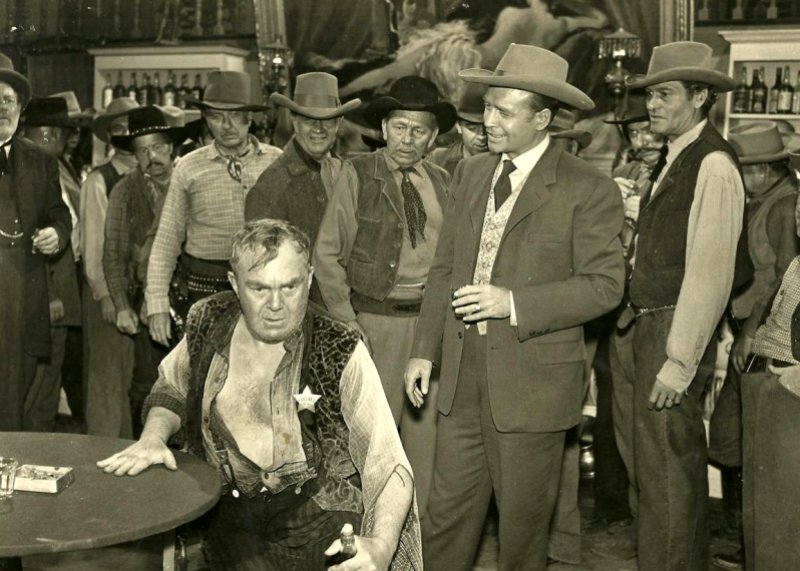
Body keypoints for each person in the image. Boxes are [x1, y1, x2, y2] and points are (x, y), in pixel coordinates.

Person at [404, 44, 625, 571]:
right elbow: (444, 269)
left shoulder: (588, 187)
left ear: (542, 118)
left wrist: (513, 302)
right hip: (462, 379)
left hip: (533, 388)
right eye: (487, 108)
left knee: (522, 536)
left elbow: (605, 286)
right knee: (444, 520)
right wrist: (424, 351)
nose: (489, 122)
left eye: (504, 112)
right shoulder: (470, 173)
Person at [98, 219, 421, 570]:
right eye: (259, 288)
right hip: (224, 521)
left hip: (317, 523)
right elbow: (172, 387)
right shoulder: (209, 320)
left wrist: (381, 545)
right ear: (234, 284)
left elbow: (388, 463)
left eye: (290, 286)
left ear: (309, 278)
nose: (276, 304)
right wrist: (153, 437)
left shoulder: (339, 347)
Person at [620, 41, 745, 571]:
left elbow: (711, 274)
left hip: (673, 330)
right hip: (655, 325)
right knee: (662, 473)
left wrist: (679, 360)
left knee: (668, 476)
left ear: (699, 97)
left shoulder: (712, 163)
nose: (652, 105)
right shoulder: (679, 155)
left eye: (665, 94)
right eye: (650, 95)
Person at [314, 75, 455, 514]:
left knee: (425, 441)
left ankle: (419, 536)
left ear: (433, 137)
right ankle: (371, 532)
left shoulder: (442, 180)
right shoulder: (358, 174)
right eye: (399, 127)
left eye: (419, 130)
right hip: (376, 325)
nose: (407, 139)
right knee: (374, 437)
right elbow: (327, 254)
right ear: (383, 128)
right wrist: (347, 320)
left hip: (429, 325)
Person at [709, 121, 800, 571]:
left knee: (742, 441)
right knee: (734, 438)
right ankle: (744, 539)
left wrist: (749, 334)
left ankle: (749, 544)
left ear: (763, 169)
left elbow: (785, 278)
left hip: (766, 343)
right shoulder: (766, 201)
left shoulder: (783, 208)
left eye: (744, 169)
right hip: (753, 336)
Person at [145, 70, 282, 347]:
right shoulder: (189, 167)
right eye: (217, 117)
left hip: (266, 288)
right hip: (204, 289)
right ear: (206, 119)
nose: (227, 125)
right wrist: (156, 304)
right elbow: (167, 240)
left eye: (235, 116)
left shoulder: (276, 162)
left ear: (249, 118)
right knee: (205, 368)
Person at [102, 106, 187, 438]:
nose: (152, 157)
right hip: (145, 306)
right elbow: (113, 253)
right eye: (142, 151)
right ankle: (148, 450)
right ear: (135, 156)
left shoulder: (189, 180)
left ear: (172, 147)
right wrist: (122, 305)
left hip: (191, 297)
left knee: (194, 383)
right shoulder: (124, 191)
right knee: (146, 385)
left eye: (158, 147)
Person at [0, 53, 71, 432]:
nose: (1, 108)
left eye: (8, 100)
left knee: (15, 398)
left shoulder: (40, 161)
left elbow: (59, 215)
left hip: (23, 300)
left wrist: (56, 234)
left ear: (20, 109)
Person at [19, 96, 83, 432]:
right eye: (60, 131)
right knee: (36, 389)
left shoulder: (57, 166)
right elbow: (28, 241)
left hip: (57, 293)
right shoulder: (28, 169)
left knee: (46, 386)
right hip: (43, 299)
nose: (64, 138)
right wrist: (50, 294)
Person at [735, 252, 800, 569]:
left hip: (787, 390)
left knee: (781, 527)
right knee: (759, 523)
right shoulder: (796, 263)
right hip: (764, 380)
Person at [245, 72, 361, 247]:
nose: (318, 128)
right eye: (308, 119)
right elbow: (262, 258)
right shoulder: (271, 186)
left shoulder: (350, 174)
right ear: (294, 120)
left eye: (328, 120)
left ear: (338, 122)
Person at [81, 96, 140, 438]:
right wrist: (105, 294)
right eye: (119, 128)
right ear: (109, 136)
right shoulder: (99, 180)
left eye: (132, 128)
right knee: (107, 378)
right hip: (108, 291)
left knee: (133, 376)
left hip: (138, 292)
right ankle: (104, 450)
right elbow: (94, 242)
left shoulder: (148, 175)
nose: (126, 135)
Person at [428, 82, 488, 176]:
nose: (482, 135)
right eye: (472, 128)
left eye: (488, 128)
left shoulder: (505, 163)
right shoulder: (438, 160)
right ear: (458, 126)